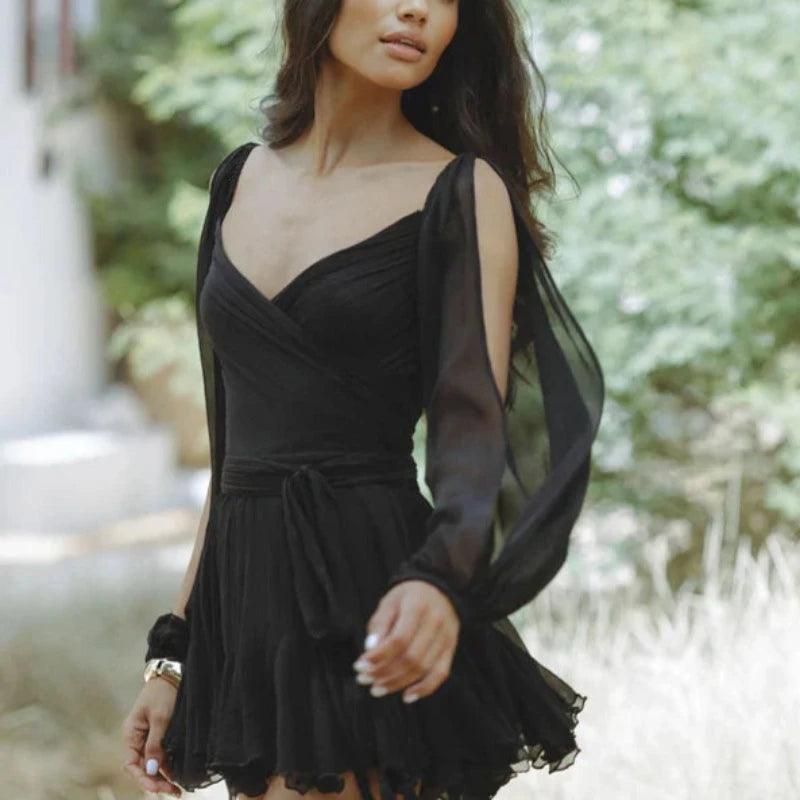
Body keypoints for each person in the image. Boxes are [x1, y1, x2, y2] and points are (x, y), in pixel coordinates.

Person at [121, 2, 604, 799]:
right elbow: (234, 456)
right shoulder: (237, 179)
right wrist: (172, 659)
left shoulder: (460, 190)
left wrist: (440, 580)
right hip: (250, 607)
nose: (416, 9)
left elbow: (472, 429)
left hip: (367, 593)